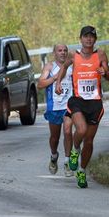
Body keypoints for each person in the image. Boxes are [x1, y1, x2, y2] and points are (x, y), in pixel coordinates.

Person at [55, 26, 109, 188]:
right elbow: (64, 67)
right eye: (85, 36)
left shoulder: (100, 54)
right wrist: (58, 82)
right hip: (78, 101)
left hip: (95, 103)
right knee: (80, 130)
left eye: (91, 37)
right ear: (80, 39)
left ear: (95, 40)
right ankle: (74, 151)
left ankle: (82, 170)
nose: (89, 39)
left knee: (88, 141)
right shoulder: (74, 55)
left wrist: (105, 72)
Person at [37, 44, 74, 177]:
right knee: (55, 138)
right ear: (54, 53)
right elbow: (40, 84)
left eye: (65, 50)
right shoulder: (50, 67)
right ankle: (54, 155)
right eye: (60, 50)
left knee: (68, 132)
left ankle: (67, 162)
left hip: (68, 105)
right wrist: (54, 78)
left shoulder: (71, 66)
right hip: (54, 106)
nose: (63, 53)